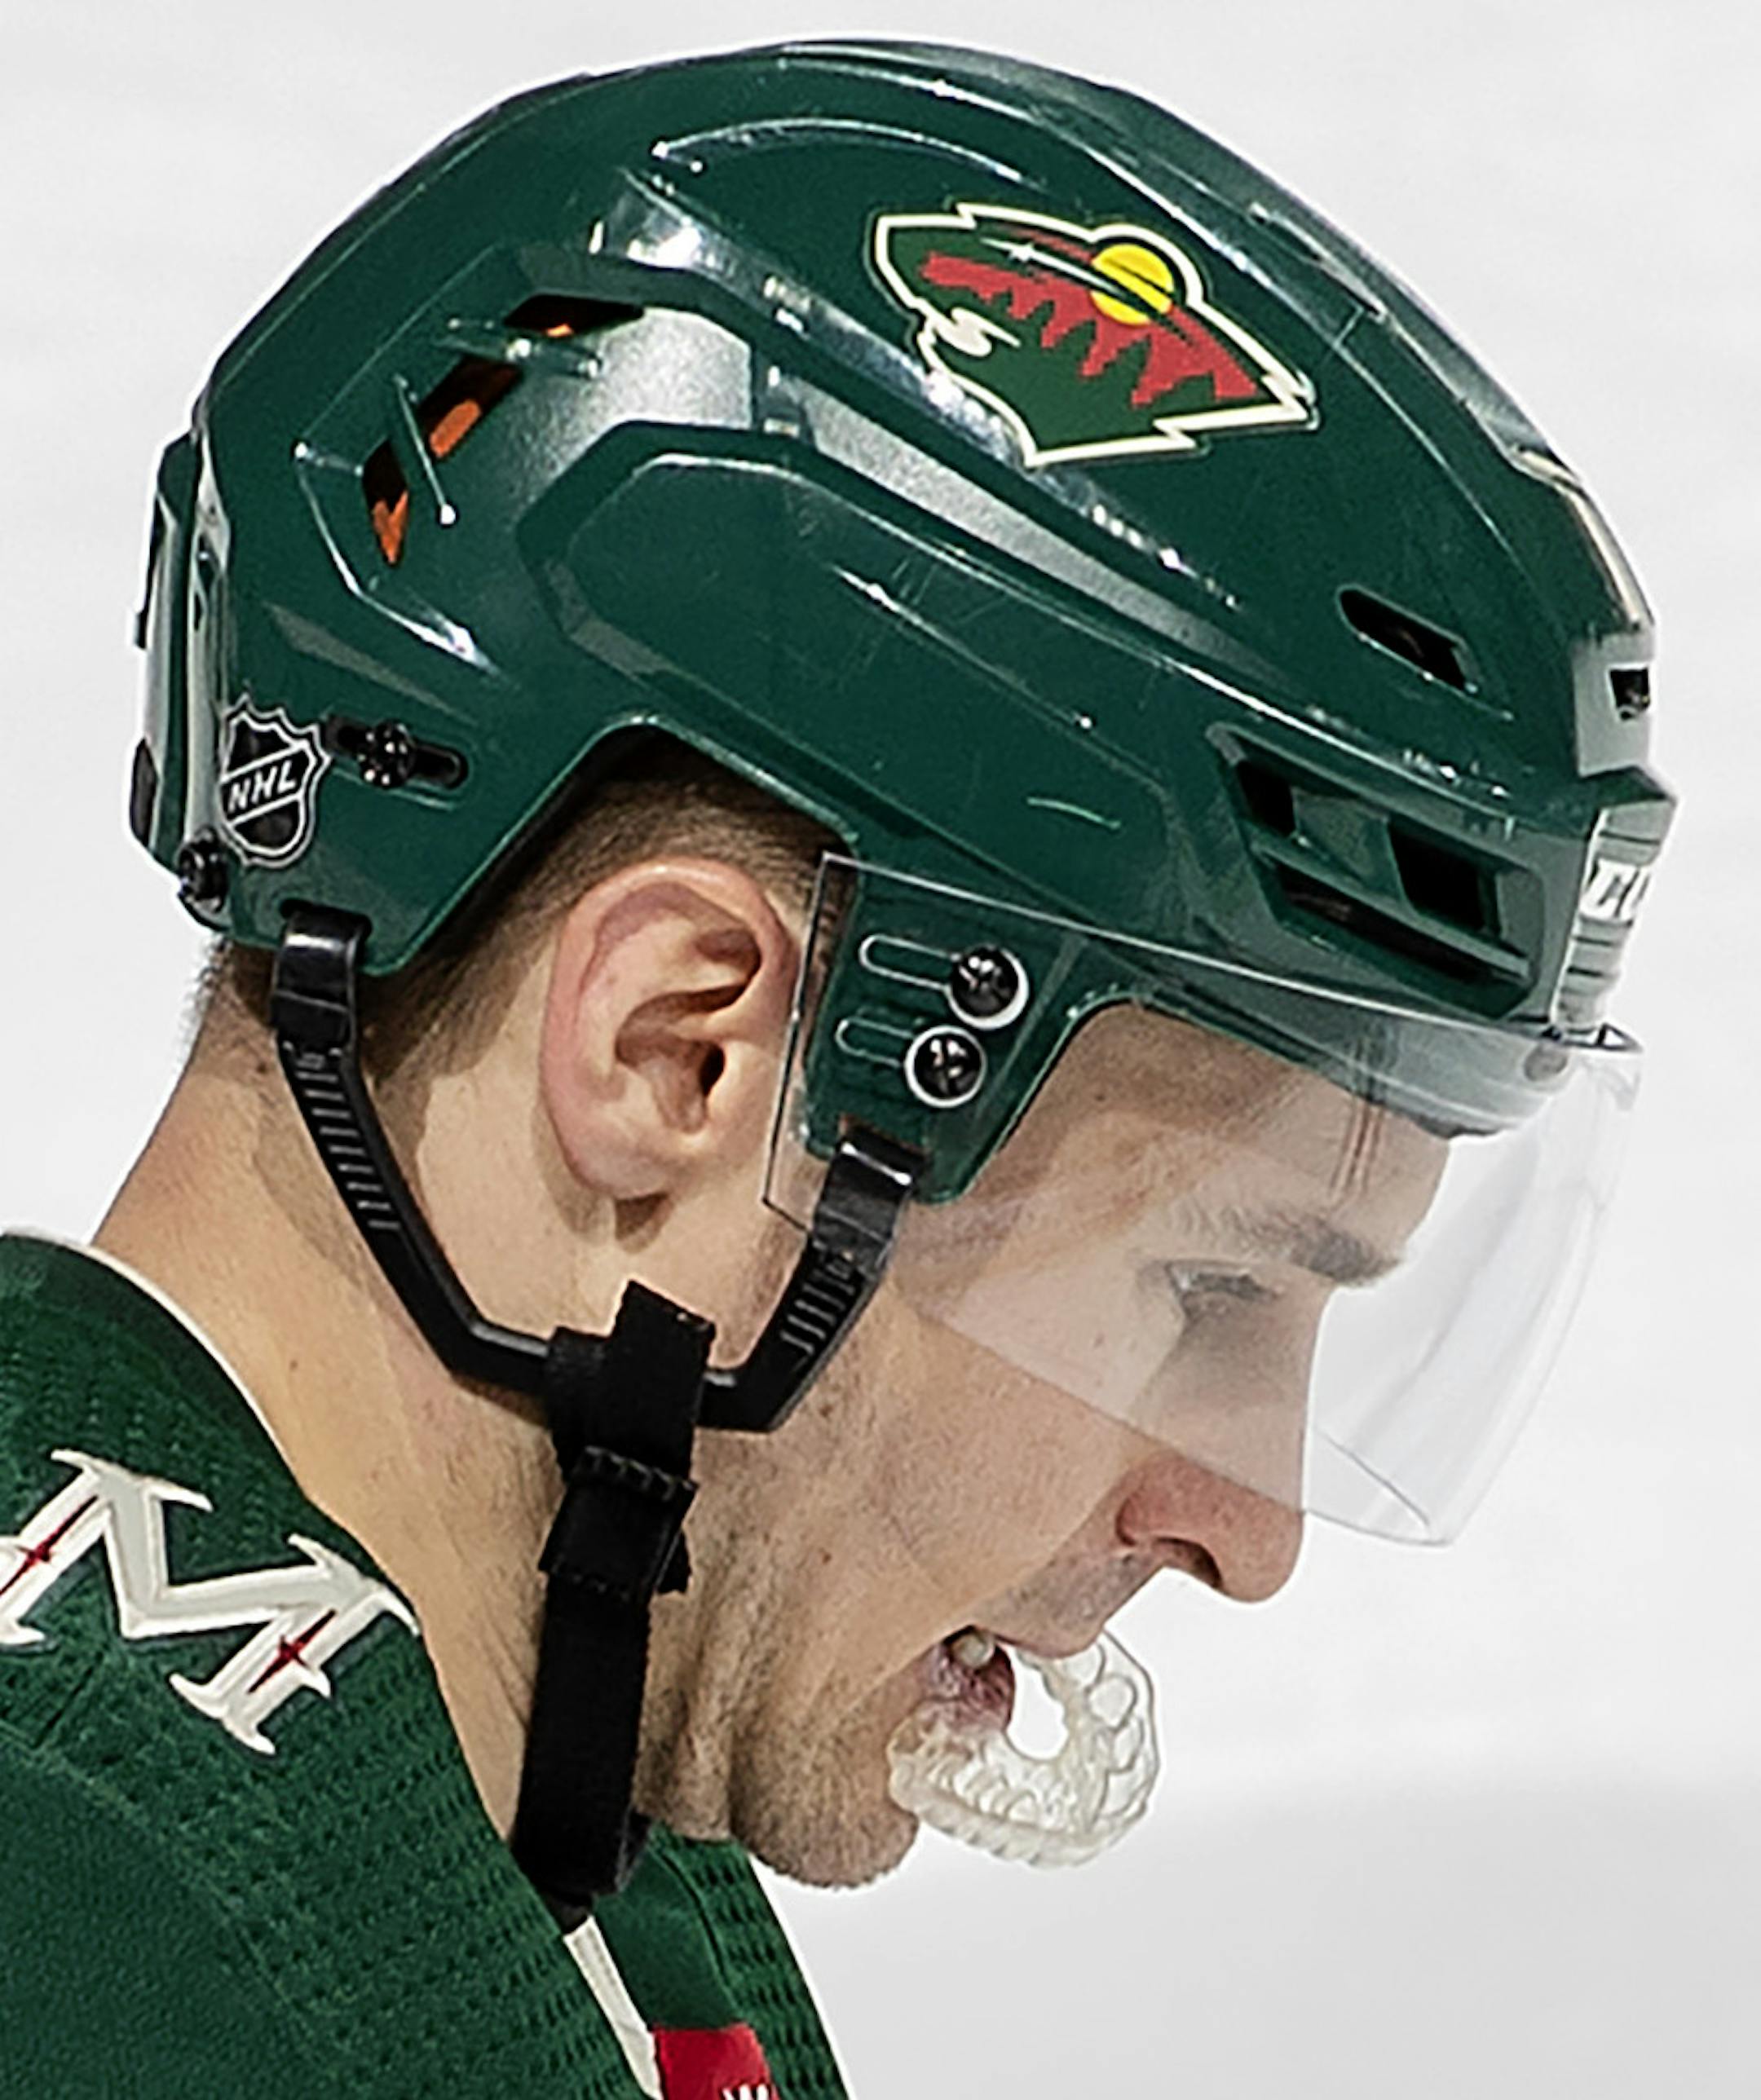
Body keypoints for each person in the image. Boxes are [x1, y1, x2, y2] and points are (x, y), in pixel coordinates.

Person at [0, 36, 1671, 2098]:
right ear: (677, 1053)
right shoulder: (105, 1934)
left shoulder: (525, 1794)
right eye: (1209, 1286)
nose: (1248, 1524)